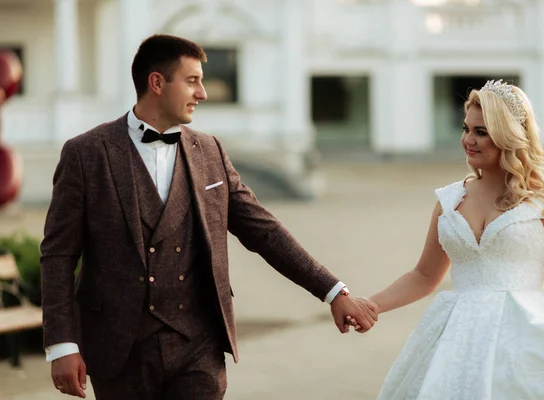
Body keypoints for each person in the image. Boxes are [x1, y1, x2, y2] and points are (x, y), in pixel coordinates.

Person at [40, 34, 377, 400]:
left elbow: (264, 231)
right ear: (156, 83)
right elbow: (58, 255)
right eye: (191, 81)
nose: (202, 93)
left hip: (197, 344)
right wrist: (61, 344)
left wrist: (333, 292)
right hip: (118, 346)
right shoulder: (85, 153)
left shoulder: (210, 151)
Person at [347, 79, 544, 399]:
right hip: (454, 337)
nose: (468, 140)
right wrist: (372, 305)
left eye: (481, 131)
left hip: (524, 337)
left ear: (509, 135)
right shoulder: (450, 200)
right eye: (466, 129)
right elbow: (424, 275)